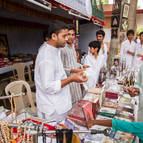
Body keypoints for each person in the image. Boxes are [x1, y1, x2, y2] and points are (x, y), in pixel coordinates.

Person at [34, 22, 88, 122]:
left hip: (60, 103)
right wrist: (72, 78)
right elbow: (48, 86)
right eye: (64, 36)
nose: (67, 38)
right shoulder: (46, 57)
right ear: (54, 36)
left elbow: (58, 74)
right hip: (53, 108)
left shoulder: (55, 49)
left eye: (68, 35)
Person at [60, 26, 88, 104]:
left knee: (78, 101)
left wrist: (81, 66)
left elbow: (73, 62)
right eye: (69, 34)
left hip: (76, 78)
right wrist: (73, 70)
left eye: (73, 35)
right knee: (70, 103)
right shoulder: (62, 49)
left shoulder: (72, 47)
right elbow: (61, 68)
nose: (71, 37)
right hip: (68, 80)